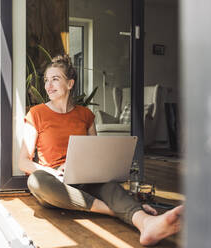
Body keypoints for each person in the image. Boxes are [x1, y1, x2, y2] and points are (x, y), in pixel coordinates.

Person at [19, 54, 183, 246]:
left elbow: (94, 154)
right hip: (54, 183)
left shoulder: (85, 115)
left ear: (70, 84)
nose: (48, 85)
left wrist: (82, 169)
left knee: (109, 186)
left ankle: (147, 223)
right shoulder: (36, 113)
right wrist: (56, 172)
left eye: (55, 79)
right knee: (36, 181)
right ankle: (123, 211)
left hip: (84, 179)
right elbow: (23, 162)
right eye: (46, 80)